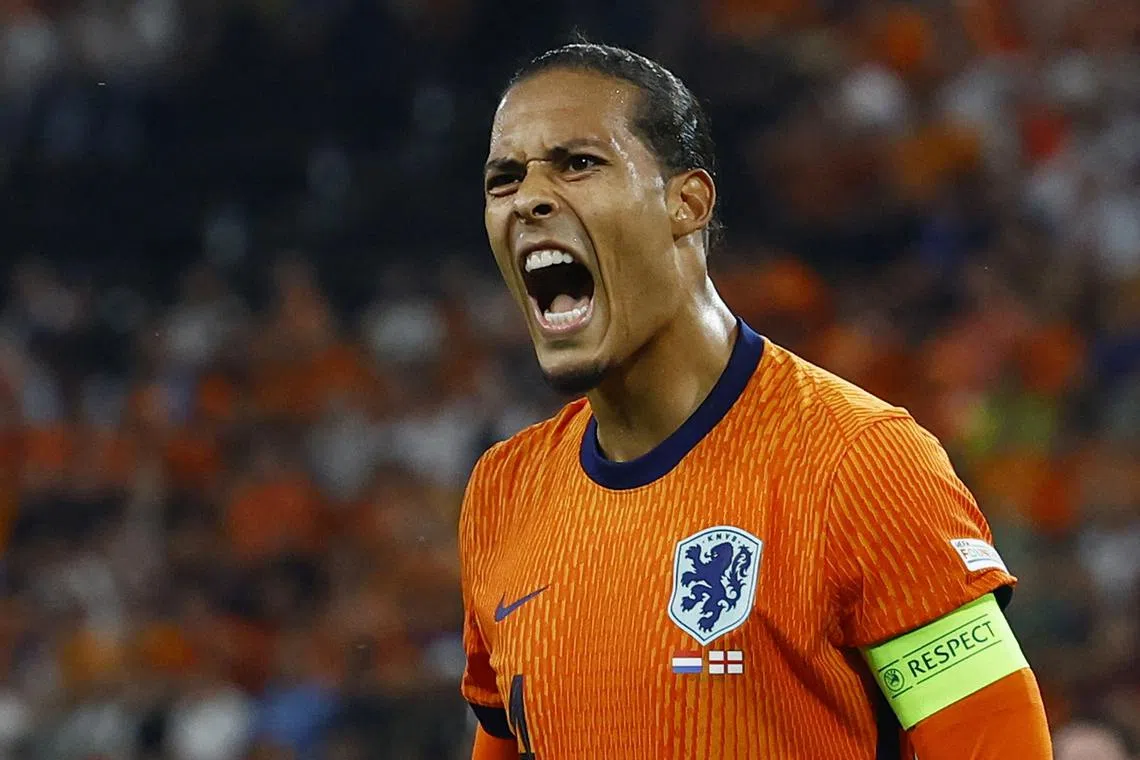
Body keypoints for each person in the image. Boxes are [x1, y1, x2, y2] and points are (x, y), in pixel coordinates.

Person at [459, 41, 1052, 759]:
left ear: (687, 203)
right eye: (504, 178)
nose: (529, 198)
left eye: (579, 162)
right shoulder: (503, 493)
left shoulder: (859, 462)